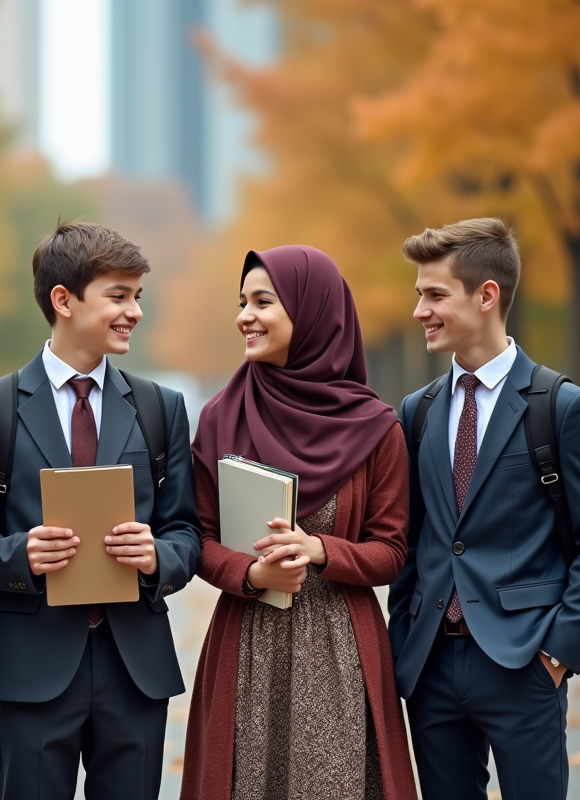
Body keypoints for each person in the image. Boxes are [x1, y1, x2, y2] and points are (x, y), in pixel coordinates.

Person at [0, 221, 202, 800]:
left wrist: (157, 555)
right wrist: (21, 554)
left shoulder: (161, 408)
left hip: (135, 667)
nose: (134, 311)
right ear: (63, 300)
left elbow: (186, 530)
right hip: (32, 668)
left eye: (137, 296)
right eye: (118, 295)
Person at [387, 218, 580, 800]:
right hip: (432, 666)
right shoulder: (416, 412)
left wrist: (557, 653)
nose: (420, 309)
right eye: (419, 294)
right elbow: (413, 539)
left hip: (525, 663)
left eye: (435, 294)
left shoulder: (560, 407)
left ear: (486, 295)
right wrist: (403, 640)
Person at [181, 245, 418, 800]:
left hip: (340, 650)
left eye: (263, 301)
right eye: (242, 302)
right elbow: (200, 539)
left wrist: (320, 550)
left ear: (312, 312)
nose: (245, 315)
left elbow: (391, 551)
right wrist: (250, 575)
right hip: (247, 647)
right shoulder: (221, 415)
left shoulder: (377, 429)